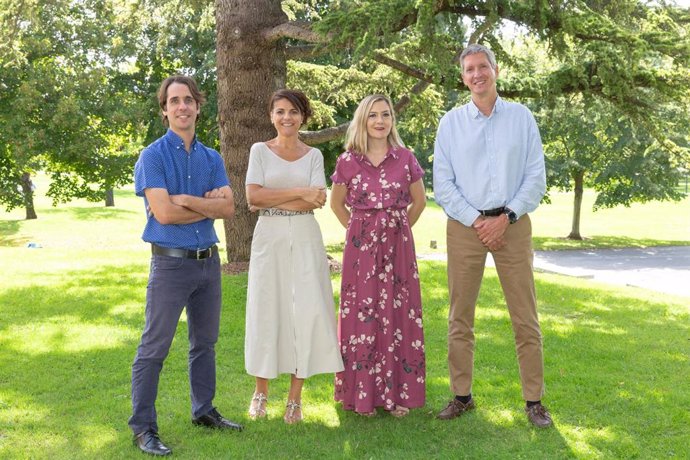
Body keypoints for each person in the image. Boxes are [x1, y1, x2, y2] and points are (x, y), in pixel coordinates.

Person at [432, 44, 552, 427]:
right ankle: (462, 396)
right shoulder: (450, 123)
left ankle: (534, 402)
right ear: (463, 77)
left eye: (483, 67)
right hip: (465, 228)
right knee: (459, 316)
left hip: (513, 226)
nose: (477, 74)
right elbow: (443, 184)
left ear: (495, 70)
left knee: (525, 317)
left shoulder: (521, 118)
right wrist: (477, 220)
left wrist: (507, 216)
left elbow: (536, 176)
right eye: (469, 69)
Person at [130, 75, 242, 456]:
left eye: (188, 100)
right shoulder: (153, 156)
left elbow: (228, 208)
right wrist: (203, 204)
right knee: (154, 348)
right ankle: (143, 428)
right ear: (165, 110)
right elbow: (161, 213)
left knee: (205, 344)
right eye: (174, 101)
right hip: (171, 266)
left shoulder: (212, 158)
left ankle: (204, 411)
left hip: (208, 265)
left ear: (197, 106)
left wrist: (186, 200)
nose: (182, 106)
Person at [244, 89, 344, 424]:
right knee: (267, 309)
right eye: (280, 111)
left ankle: (294, 399)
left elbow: (316, 201)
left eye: (294, 111)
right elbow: (252, 197)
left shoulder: (313, 156)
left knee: (305, 313)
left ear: (303, 116)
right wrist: (299, 191)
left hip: (304, 236)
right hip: (268, 237)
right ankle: (260, 392)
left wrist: (277, 198)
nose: (287, 117)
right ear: (271, 116)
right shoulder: (260, 150)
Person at [330, 94, 426, 417]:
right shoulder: (347, 161)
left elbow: (420, 201)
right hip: (362, 252)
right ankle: (364, 395)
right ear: (363, 121)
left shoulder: (405, 157)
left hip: (399, 250)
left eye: (386, 115)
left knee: (400, 316)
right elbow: (336, 204)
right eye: (373, 116)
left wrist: (399, 231)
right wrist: (360, 235)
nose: (380, 121)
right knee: (362, 316)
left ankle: (399, 395)